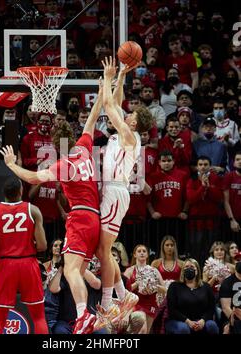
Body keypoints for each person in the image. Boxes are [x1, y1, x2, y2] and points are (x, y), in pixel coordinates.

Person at [0, 82, 103, 334]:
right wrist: (102, 93)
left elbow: (34, 179)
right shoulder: (84, 150)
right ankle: (87, 316)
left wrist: (12, 165)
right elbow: (90, 122)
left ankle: (83, 315)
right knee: (76, 270)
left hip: (79, 216)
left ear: (57, 145)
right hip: (95, 217)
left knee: (69, 269)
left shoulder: (64, 164)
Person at [96, 57, 153, 322]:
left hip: (116, 192)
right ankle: (123, 294)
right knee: (104, 251)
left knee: (103, 251)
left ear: (135, 123)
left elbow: (109, 105)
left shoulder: (131, 136)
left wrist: (106, 79)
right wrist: (120, 76)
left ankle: (108, 303)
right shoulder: (127, 132)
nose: (126, 114)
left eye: (131, 115)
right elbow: (116, 103)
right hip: (112, 191)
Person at [0, 176, 48, 334]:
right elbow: (43, 245)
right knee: (39, 318)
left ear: (4, 193)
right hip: (28, 264)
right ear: (21, 190)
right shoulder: (32, 210)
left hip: (6, 265)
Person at [165, 258, 219, 334]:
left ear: (197, 271)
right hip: (179, 321)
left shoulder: (206, 287)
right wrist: (188, 321)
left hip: (201, 321)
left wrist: (203, 320)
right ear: (182, 271)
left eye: (192, 267)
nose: (189, 269)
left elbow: (211, 308)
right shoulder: (174, 286)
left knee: (212, 326)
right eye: (186, 267)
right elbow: (172, 309)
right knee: (183, 329)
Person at [124, 244, 166, 333]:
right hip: (135, 303)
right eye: (139, 251)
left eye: (144, 251)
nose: (142, 253)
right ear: (134, 255)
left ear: (147, 255)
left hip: (150, 303)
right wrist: (138, 283)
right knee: (142, 329)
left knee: (145, 331)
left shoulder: (154, 270)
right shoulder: (130, 270)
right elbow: (123, 291)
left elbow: (164, 290)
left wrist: (153, 286)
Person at [219, 252, 241, 334]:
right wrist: (235, 318)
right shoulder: (227, 282)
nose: (240, 261)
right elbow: (225, 308)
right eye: (237, 260)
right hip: (231, 317)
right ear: (233, 262)